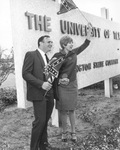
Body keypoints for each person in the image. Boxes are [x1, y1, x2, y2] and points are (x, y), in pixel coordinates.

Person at [52, 23, 92, 142]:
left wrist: (89, 30)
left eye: (72, 43)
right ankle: (64, 133)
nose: (72, 44)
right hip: (62, 87)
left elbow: (86, 43)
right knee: (63, 110)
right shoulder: (57, 56)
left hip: (73, 85)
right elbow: (51, 72)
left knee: (72, 110)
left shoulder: (74, 52)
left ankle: (73, 132)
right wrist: (59, 80)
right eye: (70, 43)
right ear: (64, 44)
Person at [22, 35, 54, 150]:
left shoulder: (48, 58)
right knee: (39, 122)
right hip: (38, 94)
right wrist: (41, 84)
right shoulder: (31, 55)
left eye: (51, 42)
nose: (51, 44)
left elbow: (49, 75)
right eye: (48, 42)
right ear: (40, 43)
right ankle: (34, 148)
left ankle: (43, 145)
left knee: (45, 121)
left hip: (49, 94)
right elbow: (25, 74)